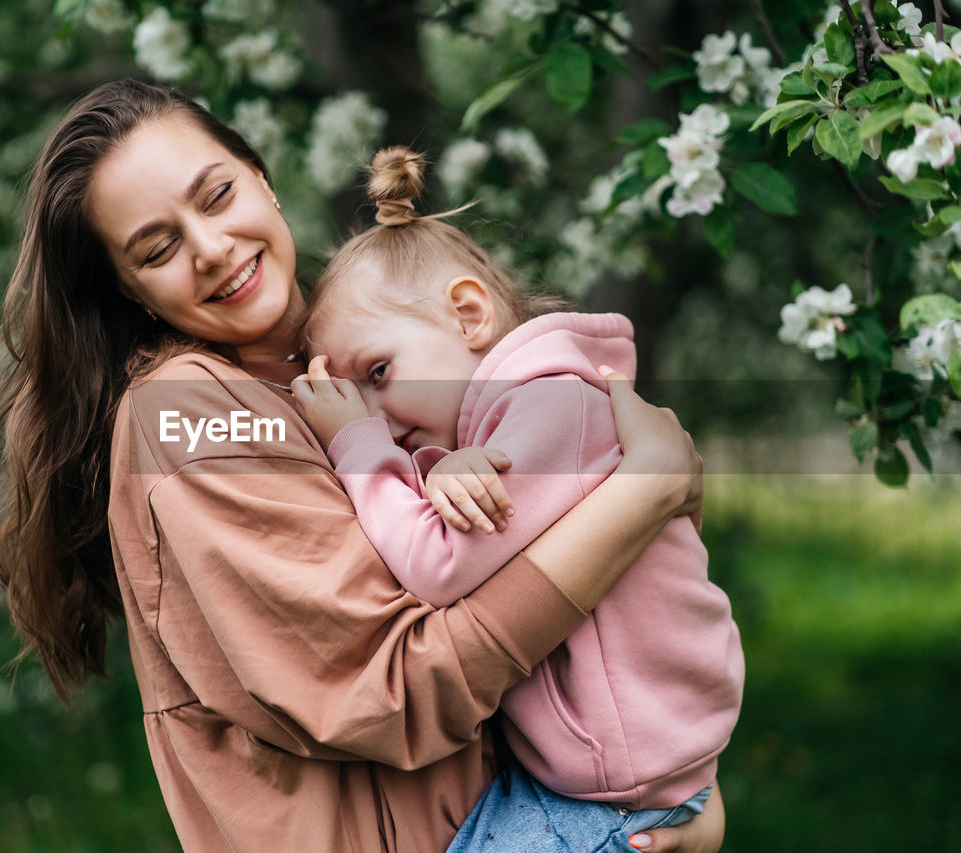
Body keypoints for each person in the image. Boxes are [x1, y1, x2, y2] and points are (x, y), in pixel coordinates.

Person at [0, 78, 726, 852]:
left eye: (216, 196)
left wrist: (673, 795)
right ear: (129, 290)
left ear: (262, 181)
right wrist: (648, 492)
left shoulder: (370, 359)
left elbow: (624, 587)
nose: (209, 250)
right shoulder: (185, 413)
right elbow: (398, 688)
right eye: (158, 248)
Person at [292, 146, 744, 852]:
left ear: (469, 315)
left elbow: (439, 566)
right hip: (598, 778)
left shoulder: (554, 406)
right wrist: (436, 468)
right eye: (360, 400)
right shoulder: (519, 418)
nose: (376, 413)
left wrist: (355, 443)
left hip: (617, 795)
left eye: (379, 371)